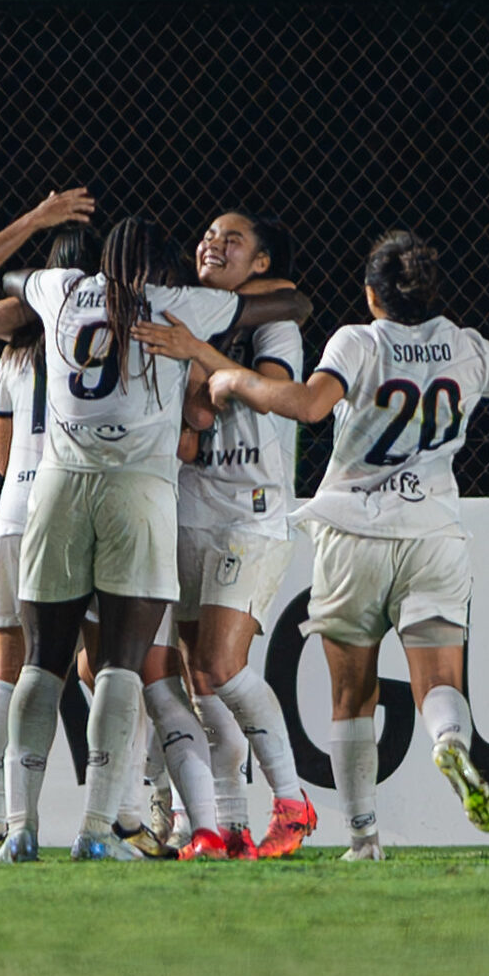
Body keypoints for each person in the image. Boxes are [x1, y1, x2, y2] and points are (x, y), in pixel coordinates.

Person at [206, 230, 489, 860]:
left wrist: (236, 381)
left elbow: (309, 406)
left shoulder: (358, 340)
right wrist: (470, 348)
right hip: (432, 534)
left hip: (353, 535)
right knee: (438, 681)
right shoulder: (466, 347)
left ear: (371, 293)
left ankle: (363, 840)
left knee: (353, 694)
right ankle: (450, 741)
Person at [0, 215, 311, 862]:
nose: (212, 245)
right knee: (124, 664)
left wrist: (49, 284)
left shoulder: (62, 291)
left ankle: (18, 828)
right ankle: (102, 829)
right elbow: (293, 300)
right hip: (140, 493)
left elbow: (6, 292)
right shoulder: (174, 303)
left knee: (41, 661)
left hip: (59, 487)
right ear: (164, 265)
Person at [130, 211, 316, 859]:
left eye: (232, 239)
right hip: (189, 507)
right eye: (208, 234)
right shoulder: (194, 318)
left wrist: (195, 355)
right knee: (198, 680)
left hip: (251, 510)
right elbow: (198, 413)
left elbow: (275, 394)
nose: (213, 242)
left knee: (220, 666)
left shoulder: (276, 326)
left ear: (261, 265)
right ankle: (228, 826)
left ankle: (292, 801)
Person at [0, 224, 101, 863]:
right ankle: (121, 818)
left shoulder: (17, 355)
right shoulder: (102, 341)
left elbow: (2, 458)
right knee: (104, 665)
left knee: (5, 673)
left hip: (16, 513)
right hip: (78, 509)